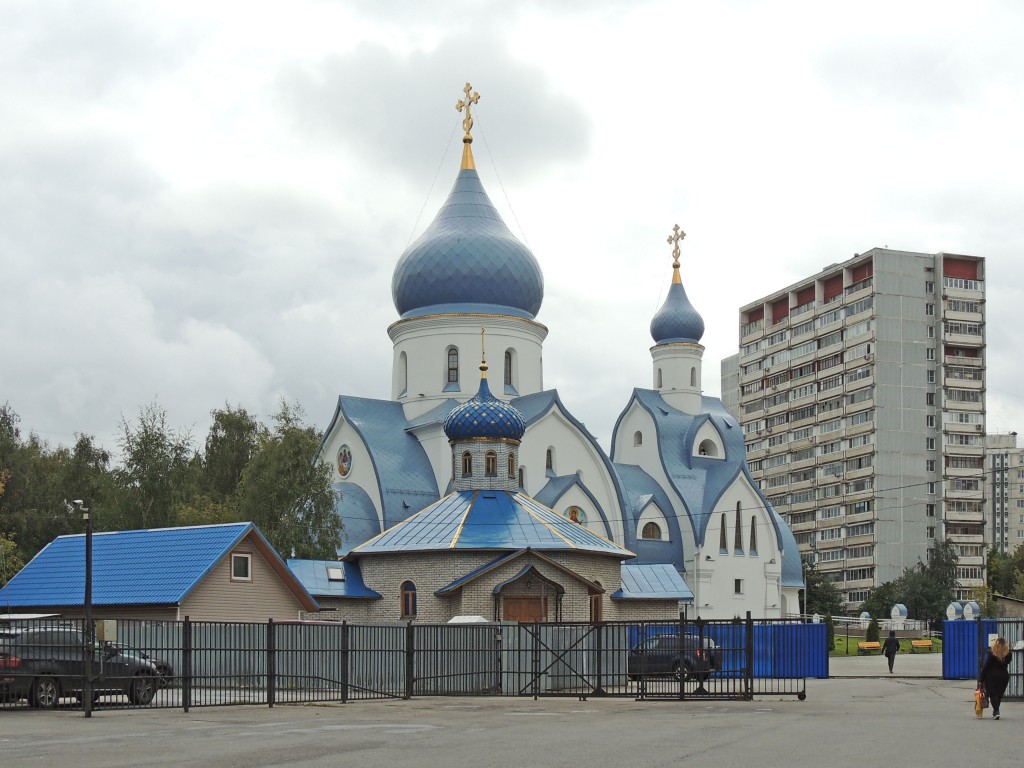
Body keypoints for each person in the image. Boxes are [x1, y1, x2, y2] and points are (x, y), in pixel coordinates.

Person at [978, 637, 1012, 720]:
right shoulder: (1008, 654)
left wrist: (981, 678)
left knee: (993, 694)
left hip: (992, 676)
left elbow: (986, 666)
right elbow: (1007, 662)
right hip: (1004, 676)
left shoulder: (992, 654)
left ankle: (996, 711)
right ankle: (995, 711)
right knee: (999, 694)